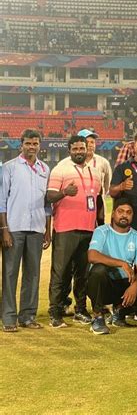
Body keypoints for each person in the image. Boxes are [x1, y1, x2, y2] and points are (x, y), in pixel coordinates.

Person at [47, 135, 102, 328]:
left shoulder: (95, 172)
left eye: (82, 148)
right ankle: (55, 312)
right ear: (69, 149)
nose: (79, 152)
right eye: (75, 148)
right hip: (65, 228)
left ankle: (80, 309)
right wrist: (64, 193)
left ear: (87, 149)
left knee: (83, 273)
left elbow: (98, 199)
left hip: (88, 229)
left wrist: (100, 225)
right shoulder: (60, 169)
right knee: (60, 272)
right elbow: (49, 196)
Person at [1, 129, 51, 332]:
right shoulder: (9, 168)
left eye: (35, 143)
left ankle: (28, 316)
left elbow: (47, 203)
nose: (32, 147)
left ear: (40, 145)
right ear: (20, 144)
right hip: (14, 227)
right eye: (28, 143)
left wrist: (48, 230)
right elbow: (1, 201)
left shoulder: (45, 169)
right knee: (10, 273)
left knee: (33, 274)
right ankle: (8, 318)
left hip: (37, 227)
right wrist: (3, 229)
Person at [87, 198, 137, 335]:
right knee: (99, 270)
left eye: (128, 212)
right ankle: (98, 317)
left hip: (123, 285)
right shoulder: (102, 231)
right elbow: (92, 256)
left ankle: (119, 312)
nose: (124, 215)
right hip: (104, 284)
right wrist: (121, 263)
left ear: (132, 216)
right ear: (113, 214)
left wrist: (136, 284)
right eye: (120, 211)